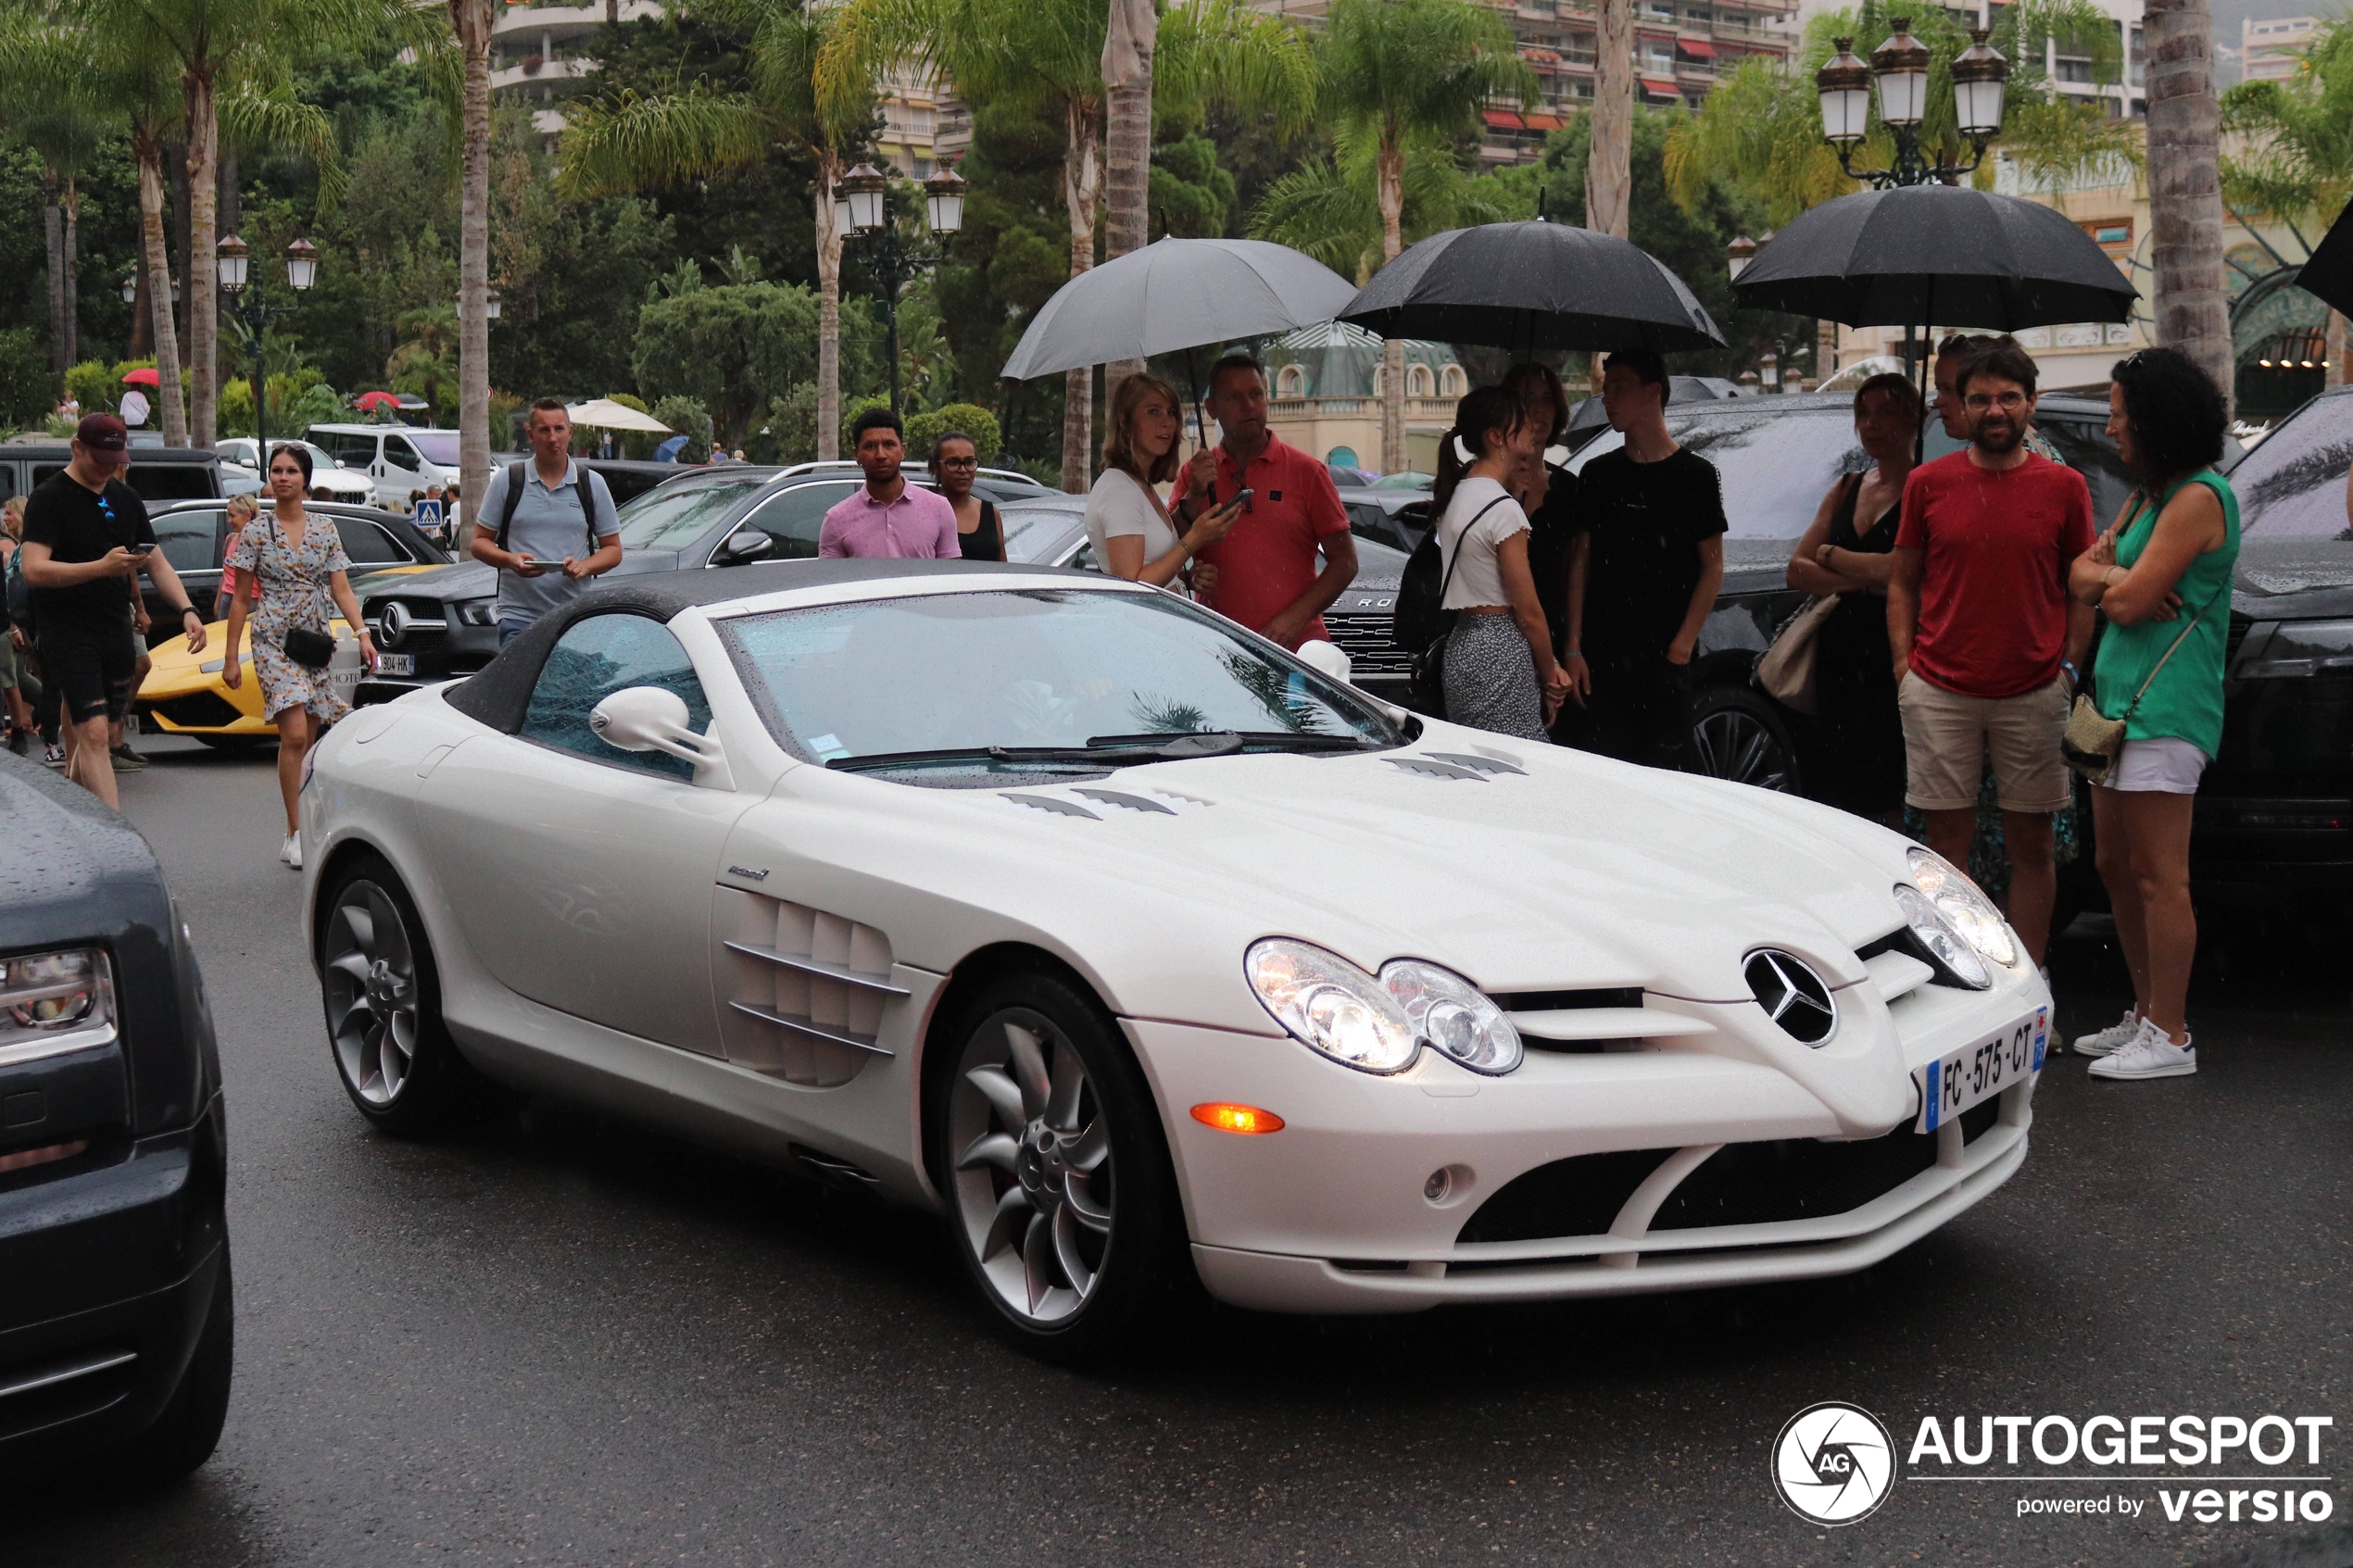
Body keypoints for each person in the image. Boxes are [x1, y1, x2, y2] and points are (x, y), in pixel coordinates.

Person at [1889, 338, 2095, 973]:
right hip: (1940, 690)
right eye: (1980, 398)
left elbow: (2082, 584)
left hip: (2034, 692)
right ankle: (1959, 981)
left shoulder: (2065, 486)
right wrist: (1905, 668)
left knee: (2032, 846)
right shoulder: (1928, 483)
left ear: (2031, 403)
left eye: (2009, 397)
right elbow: (1903, 580)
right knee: (1944, 848)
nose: (1995, 409)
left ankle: (2025, 987)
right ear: (1962, 406)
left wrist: (2068, 668)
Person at [2065, 348, 2239, 1079]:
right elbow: (2081, 575)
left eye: (2119, 416)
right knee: (2113, 863)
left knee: (2159, 875)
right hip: (2114, 708)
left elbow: (2131, 604)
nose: (2111, 429)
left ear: (2156, 419)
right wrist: (2116, 575)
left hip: (2165, 708)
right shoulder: (2148, 496)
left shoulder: (2200, 497)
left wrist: (2116, 583)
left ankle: (2171, 1035)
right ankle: (2143, 1013)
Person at [16, 414, 208, 809]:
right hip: (68, 632)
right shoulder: (49, 497)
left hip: (116, 630)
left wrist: (187, 609)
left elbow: (156, 562)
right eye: (100, 459)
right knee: (97, 735)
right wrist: (100, 568)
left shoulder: (124, 498)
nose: (109, 467)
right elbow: (33, 569)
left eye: (115, 459)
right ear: (76, 448)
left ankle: (68, 807)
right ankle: (118, 839)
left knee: (98, 736)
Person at [1560, 347, 1726, 770]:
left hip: (1665, 656)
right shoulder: (1598, 474)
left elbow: (1712, 567)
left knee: (1665, 775)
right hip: (1602, 656)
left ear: (1653, 392)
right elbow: (1580, 561)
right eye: (1604, 390)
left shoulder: (1696, 476)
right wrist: (1574, 647)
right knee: (1602, 770)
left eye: (1619, 389)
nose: (1608, 400)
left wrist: (1682, 647)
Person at [222, 445, 377, 868]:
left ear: (305, 478)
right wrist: (231, 657)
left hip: (313, 635)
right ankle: (293, 832)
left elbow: (341, 588)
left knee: (308, 739)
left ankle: (306, 824)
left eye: (292, 470)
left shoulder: (325, 528)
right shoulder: (254, 532)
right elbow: (239, 599)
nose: (283, 477)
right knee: (292, 734)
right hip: (272, 635)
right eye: (276, 470)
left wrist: (362, 634)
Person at [1785, 372, 1922, 823]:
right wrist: (1862, 581)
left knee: (1893, 791)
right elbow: (1798, 569)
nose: (1871, 424)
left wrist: (1835, 556)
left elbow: (1907, 572)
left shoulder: (1926, 490)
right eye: (1862, 414)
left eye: (1885, 412)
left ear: (1913, 420)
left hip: (1898, 655)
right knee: (1838, 791)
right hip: (1839, 661)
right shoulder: (1847, 487)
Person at [1168, 354, 1357, 649]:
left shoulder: (1307, 472)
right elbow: (1166, 554)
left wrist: (1295, 618)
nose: (1249, 406)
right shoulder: (1194, 475)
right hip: (1219, 648)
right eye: (1234, 397)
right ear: (1211, 408)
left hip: (1299, 650)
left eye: (1256, 394)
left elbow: (1345, 562)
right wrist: (1190, 575)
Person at [1430, 386, 1567, 741]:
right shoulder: (1503, 509)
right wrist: (1550, 670)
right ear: (1497, 437)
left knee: (1476, 761)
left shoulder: (1455, 495)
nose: (1534, 427)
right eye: (1522, 424)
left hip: (1461, 646)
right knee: (1518, 763)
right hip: (1500, 650)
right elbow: (1529, 615)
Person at [469, 400, 622, 646]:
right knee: (522, 684)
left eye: (559, 429)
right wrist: (511, 560)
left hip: (573, 619)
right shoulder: (509, 480)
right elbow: (478, 542)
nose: (552, 438)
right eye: (544, 430)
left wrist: (585, 566)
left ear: (570, 433)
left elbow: (613, 550)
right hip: (519, 617)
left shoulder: (591, 484)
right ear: (530, 434)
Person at [1084, 375, 1241, 589]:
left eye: (1172, 412)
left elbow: (1151, 565)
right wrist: (1194, 539)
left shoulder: (1138, 484)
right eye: (1153, 411)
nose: (1167, 422)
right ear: (1124, 420)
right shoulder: (1119, 491)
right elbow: (1132, 585)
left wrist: (1186, 580)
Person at [1497, 361, 1581, 672]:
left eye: (1547, 399)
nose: (1540, 409)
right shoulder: (1483, 488)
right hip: (1497, 645)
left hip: (1552, 640)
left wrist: (1572, 648)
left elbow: (1575, 573)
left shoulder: (1568, 488)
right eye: (1528, 398)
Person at [820, 408, 961, 559]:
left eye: (889, 445)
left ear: (902, 450)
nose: (881, 455)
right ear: (857, 454)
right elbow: (831, 579)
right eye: (870, 446)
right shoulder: (837, 519)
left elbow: (950, 579)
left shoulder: (939, 509)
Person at [932, 432, 1009, 562]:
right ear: (936, 468)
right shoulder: (926, 513)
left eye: (969, 462)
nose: (963, 470)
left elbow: (1004, 568)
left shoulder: (990, 512)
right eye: (953, 462)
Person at [1, 495, 32, 753]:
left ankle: (23, 730)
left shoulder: (15, 550)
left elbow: (11, 590)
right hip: (14, 619)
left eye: (9, 513)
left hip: (15, 620)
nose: (4, 518)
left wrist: (14, 625)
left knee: (13, 677)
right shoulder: (16, 549)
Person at [219, 493, 259, 620]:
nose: (229, 521)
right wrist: (218, 602)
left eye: (232, 516)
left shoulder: (260, 544)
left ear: (247, 516)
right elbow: (226, 574)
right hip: (227, 598)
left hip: (250, 602)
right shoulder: (230, 539)